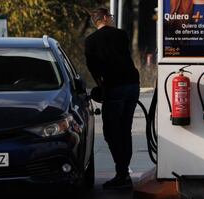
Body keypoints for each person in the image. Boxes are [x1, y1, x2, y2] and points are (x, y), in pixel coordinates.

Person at [85, 7, 140, 189]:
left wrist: (100, 86)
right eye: (112, 17)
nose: (113, 19)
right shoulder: (121, 35)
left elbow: (93, 67)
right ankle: (123, 174)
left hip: (114, 87)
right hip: (132, 85)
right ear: (106, 18)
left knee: (111, 132)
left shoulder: (91, 41)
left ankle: (122, 174)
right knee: (125, 130)